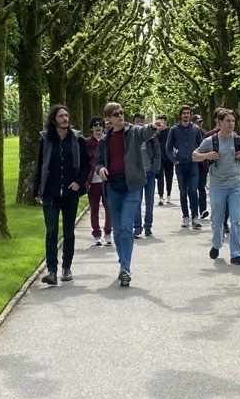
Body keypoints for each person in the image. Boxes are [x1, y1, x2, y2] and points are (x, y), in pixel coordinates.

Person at [96, 102, 166, 287]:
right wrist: (101, 169)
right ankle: (123, 261)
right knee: (118, 230)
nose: (120, 115)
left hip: (132, 187)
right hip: (113, 187)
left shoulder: (133, 132)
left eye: (121, 112)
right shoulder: (104, 139)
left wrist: (153, 126)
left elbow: (145, 133)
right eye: (115, 114)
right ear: (108, 119)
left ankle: (125, 268)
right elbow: (99, 162)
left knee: (126, 227)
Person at [33, 105, 90, 285]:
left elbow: (87, 165)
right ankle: (52, 271)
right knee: (51, 231)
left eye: (66, 115)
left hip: (70, 192)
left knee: (68, 232)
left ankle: (66, 267)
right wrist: (36, 190)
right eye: (61, 116)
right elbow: (39, 165)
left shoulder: (77, 139)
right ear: (53, 119)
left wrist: (78, 182)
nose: (65, 118)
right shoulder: (45, 140)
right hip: (50, 193)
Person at [193, 107, 240, 266]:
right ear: (220, 122)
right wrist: (207, 155)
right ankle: (216, 243)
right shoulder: (211, 141)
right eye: (228, 121)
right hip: (217, 185)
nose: (231, 124)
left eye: (233, 121)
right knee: (217, 219)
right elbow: (195, 155)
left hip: (236, 185)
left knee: (236, 219)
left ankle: (236, 254)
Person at [166, 104, 204, 229]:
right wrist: (174, 160)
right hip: (180, 164)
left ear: (190, 114)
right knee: (183, 192)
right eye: (184, 113)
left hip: (193, 164)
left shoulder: (196, 129)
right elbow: (168, 147)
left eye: (188, 113)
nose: (186, 115)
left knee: (193, 191)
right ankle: (185, 216)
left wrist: (198, 156)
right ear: (180, 115)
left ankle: (195, 217)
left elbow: (201, 145)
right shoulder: (174, 130)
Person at [84, 116, 112, 246]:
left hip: (107, 180)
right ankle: (96, 234)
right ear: (91, 128)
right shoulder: (87, 142)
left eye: (100, 124)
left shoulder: (108, 141)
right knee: (94, 209)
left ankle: (108, 232)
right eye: (95, 125)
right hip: (93, 181)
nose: (98, 127)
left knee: (109, 208)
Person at [132, 111, 161, 237]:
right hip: (137, 174)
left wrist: (154, 169)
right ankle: (137, 227)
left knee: (149, 201)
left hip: (149, 172)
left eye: (141, 121)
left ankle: (148, 226)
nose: (139, 124)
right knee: (136, 201)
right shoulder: (130, 137)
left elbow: (157, 154)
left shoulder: (151, 137)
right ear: (133, 123)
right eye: (137, 121)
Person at [192, 113, 210, 219]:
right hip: (192, 164)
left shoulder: (205, 134)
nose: (199, 124)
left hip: (202, 165)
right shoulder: (190, 133)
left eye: (200, 122)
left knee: (201, 187)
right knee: (192, 189)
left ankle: (203, 209)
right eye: (197, 122)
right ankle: (194, 210)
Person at [155, 114, 174, 205]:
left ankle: (169, 194)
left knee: (169, 177)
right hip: (159, 158)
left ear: (165, 121)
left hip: (169, 157)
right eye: (159, 120)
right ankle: (161, 196)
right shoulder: (156, 132)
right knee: (160, 178)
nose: (161, 122)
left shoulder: (170, 131)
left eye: (162, 120)